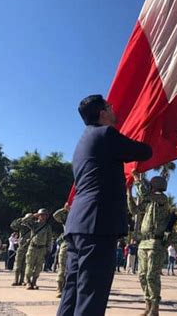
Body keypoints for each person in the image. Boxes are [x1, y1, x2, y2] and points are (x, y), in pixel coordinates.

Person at [57, 94, 152, 316]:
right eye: (110, 107)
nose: (113, 110)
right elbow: (144, 152)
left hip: (78, 224)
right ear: (102, 114)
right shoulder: (106, 134)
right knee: (92, 293)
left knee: (72, 292)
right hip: (98, 223)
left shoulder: (83, 141)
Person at [128, 172, 171, 316]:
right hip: (143, 242)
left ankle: (155, 307)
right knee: (142, 275)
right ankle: (147, 304)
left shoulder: (162, 199)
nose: (149, 187)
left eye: (151, 185)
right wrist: (129, 193)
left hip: (155, 243)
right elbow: (134, 210)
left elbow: (145, 193)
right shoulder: (149, 201)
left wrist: (136, 180)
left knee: (152, 276)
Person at [23, 209, 52, 290]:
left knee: (39, 267)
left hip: (42, 248)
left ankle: (34, 281)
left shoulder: (47, 226)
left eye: (45, 215)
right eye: (41, 215)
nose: (43, 217)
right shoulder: (34, 224)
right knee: (29, 265)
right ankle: (28, 282)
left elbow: (49, 238)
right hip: (33, 247)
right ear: (38, 215)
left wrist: (48, 248)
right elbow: (24, 221)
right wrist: (32, 215)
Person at [53, 204, 70, 298]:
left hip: (78, 245)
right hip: (67, 243)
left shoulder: (82, 215)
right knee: (62, 266)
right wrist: (64, 209)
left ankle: (70, 288)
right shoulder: (66, 217)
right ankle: (59, 288)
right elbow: (56, 216)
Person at [10, 213, 32, 285]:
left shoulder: (33, 226)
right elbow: (13, 226)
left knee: (25, 265)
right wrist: (22, 219)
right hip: (21, 246)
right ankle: (16, 280)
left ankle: (22, 280)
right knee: (18, 265)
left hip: (29, 247)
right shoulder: (22, 226)